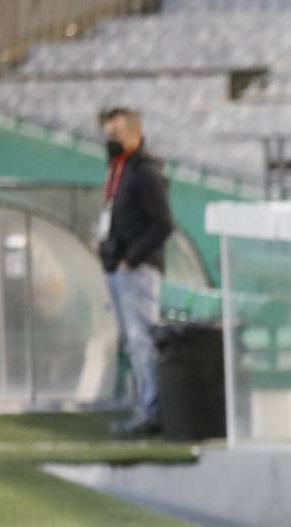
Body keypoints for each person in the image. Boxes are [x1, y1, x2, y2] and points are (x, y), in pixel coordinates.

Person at [97, 107, 174, 436]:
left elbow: (163, 224)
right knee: (134, 342)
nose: (109, 139)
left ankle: (151, 411)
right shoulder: (121, 169)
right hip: (119, 267)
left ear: (134, 134)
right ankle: (145, 406)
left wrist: (132, 258)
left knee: (142, 341)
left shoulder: (144, 171)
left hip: (137, 270)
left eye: (115, 133)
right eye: (107, 133)